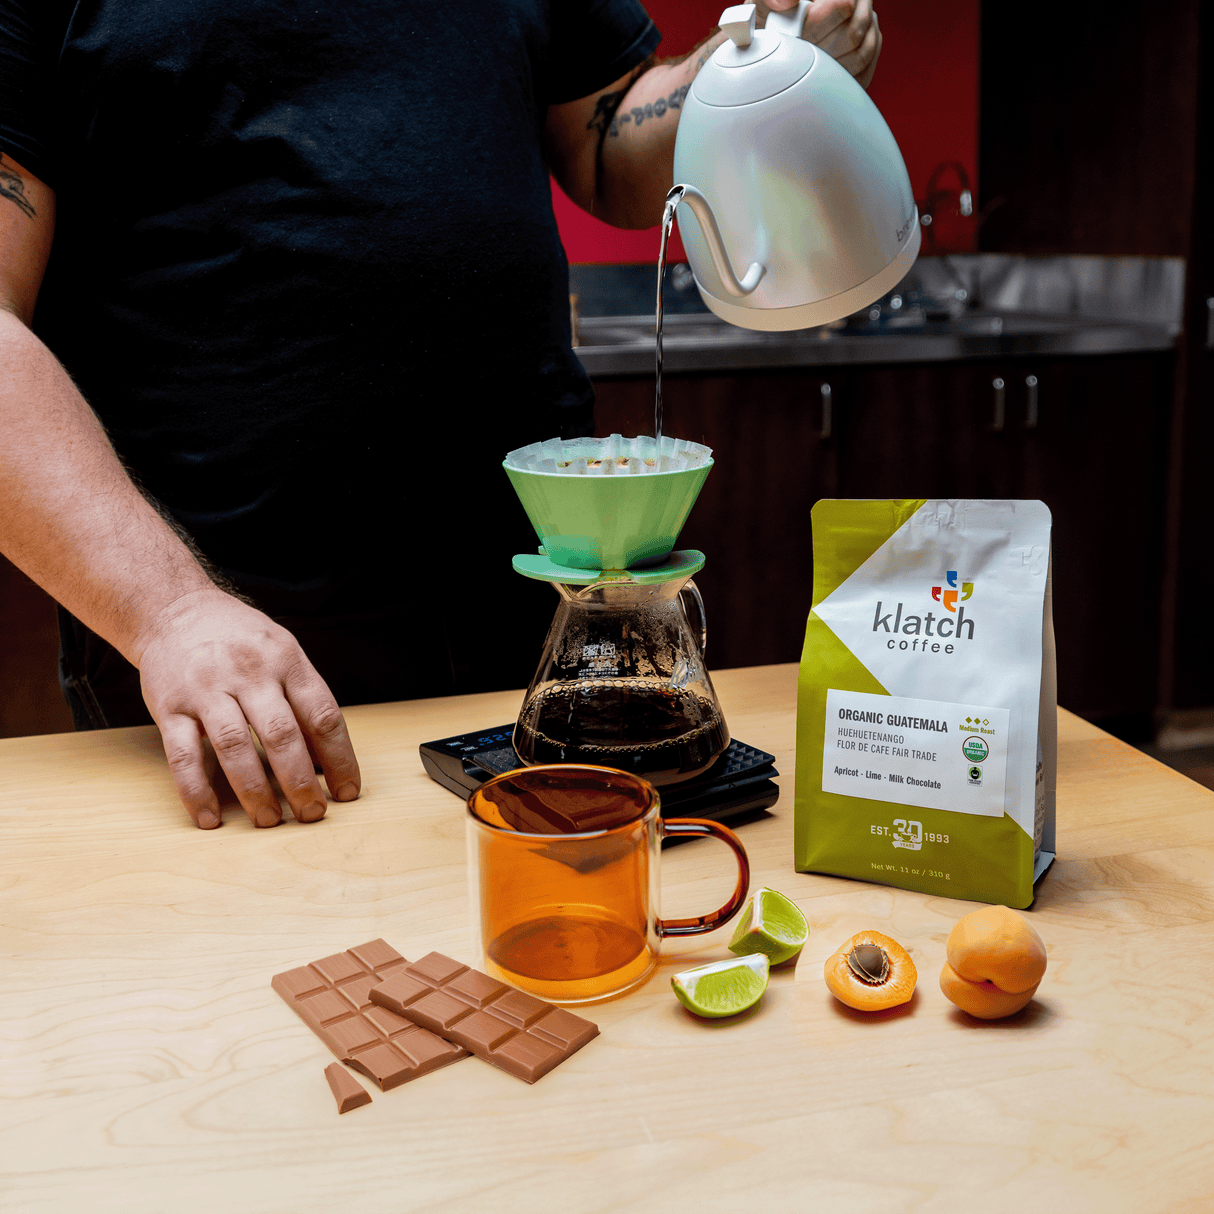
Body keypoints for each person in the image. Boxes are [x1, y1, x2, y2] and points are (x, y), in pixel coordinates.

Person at [0, 0, 880, 830]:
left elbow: (608, 136)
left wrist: (756, 67)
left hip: (543, 611)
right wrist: (171, 616)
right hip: (236, 652)